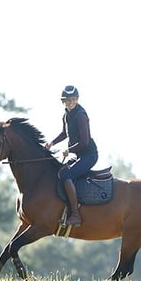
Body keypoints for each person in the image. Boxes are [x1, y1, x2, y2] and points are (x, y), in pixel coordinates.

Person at [44, 85, 99, 227]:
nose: (71, 102)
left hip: (89, 155)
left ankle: (75, 216)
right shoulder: (66, 115)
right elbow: (64, 133)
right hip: (80, 154)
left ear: (77, 99)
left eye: (73, 99)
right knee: (61, 172)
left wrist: (69, 150)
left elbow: (85, 142)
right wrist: (52, 143)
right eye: (68, 100)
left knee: (67, 176)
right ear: (63, 101)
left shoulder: (80, 116)